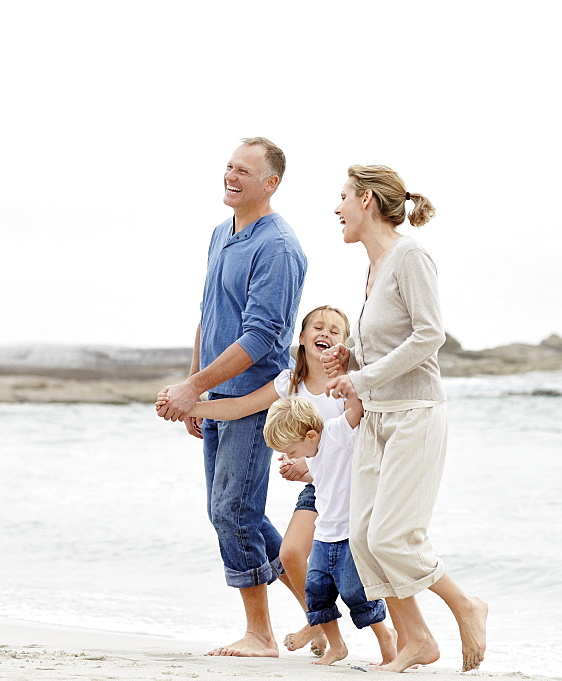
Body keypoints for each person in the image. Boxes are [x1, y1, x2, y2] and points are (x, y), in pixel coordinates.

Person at [322, 165, 488, 672]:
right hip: (377, 419)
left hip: (415, 414)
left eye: (343, 197)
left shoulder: (410, 255)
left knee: (394, 538)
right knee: (363, 539)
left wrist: (363, 380)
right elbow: (388, 342)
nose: (337, 208)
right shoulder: (372, 268)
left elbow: (429, 335)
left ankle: (466, 605)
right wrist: (350, 358)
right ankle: (416, 640)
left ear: (367, 200)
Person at [155, 137, 307, 658]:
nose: (231, 175)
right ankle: (320, 610)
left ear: (271, 183)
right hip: (215, 394)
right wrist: (194, 385)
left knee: (234, 512)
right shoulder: (221, 233)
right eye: (229, 166)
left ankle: (262, 635)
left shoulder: (280, 247)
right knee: (230, 512)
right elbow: (208, 314)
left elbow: (263, 336)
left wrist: (196, 390)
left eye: (245, 170)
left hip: (254, 399)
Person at [157, 305, 351, 657]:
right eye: (318, 327)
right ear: (302, 338)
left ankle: (391, 640)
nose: (326, 334)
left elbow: (357, 438)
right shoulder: (289, 383)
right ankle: (322, 624)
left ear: (345, 343)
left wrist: (307, 467)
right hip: (317, 490)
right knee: (291, 552)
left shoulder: (348, 386)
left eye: (335, 331)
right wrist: (189, 406)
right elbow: (239, 407)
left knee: (365, 564)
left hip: (351, 488)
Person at [263, 395, 398, 667]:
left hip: (350, 534)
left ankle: (387, 640)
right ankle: (336, 646)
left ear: (311, 435)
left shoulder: (336, 432)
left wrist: (347, 387)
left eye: (291, 450)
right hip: (323, 535)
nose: (291, 456)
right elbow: (324, 476)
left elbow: (356, 411)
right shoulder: (311, 453)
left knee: (354, 592)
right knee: (315, 594)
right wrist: (299, 471)